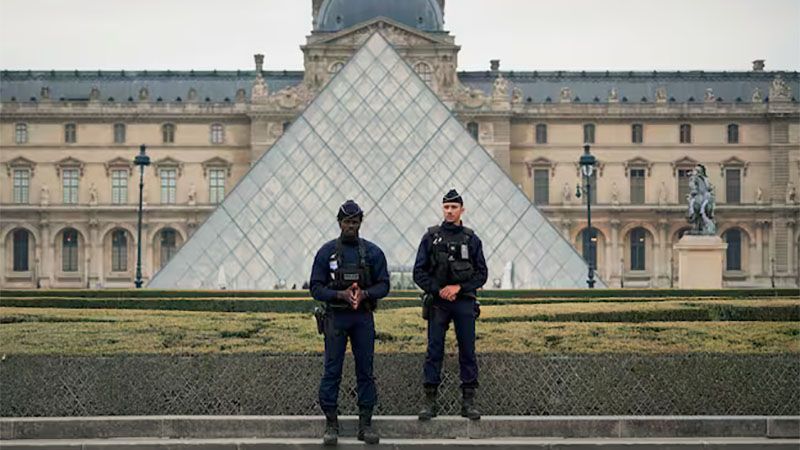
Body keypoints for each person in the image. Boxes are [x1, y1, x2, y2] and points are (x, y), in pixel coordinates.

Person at [309, 200, 390, 445]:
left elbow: (384, 285)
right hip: (336, 317)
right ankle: (331, 423)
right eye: (347, 222)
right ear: (339, 222)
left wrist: (364, 294)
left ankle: (365, 424)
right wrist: (340, 295)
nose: (350, 226)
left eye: (354, 222)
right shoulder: (326, 253)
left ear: (360, 223)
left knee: (366, 370)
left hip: (362, 317)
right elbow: (315, 288)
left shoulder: (374, 253)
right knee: (332, 370)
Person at [413, 189, 488, 421]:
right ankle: (430, 402)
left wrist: (458, 288)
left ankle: (468, 402)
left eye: (454, 207)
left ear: (462, 210)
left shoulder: (472, 239)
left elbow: (482, 274)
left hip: (463, 301)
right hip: (438, 303)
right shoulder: (430, 238)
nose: (449, 211)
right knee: (434, 351)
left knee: (468, 351)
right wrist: (439, 290)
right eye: (446, 207)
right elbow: (418, 272)